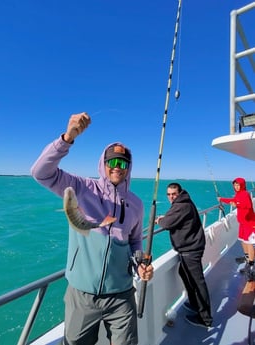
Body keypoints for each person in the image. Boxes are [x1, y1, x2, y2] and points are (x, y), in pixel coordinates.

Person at [31, 112, 153, 345]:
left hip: (122, 295)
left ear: (129, 168)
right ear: (103, 164)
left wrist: (140, 266)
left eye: (123, 163)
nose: (117, 167)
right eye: (113, 162)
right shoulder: (81, 187)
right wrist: (67, 138)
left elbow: (135, 241)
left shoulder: (136, 203)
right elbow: (40, 173)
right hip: (82, 294)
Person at [155, 182, 213, 329]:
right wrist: (165, 217)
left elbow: (167, 223)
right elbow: (173, 216)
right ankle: (195, 304)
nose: (170, 197)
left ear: (179, 193)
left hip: (190, 250)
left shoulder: (181, 205)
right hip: (190, 248)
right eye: (168, 194)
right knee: (184, 272)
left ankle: (205, 318)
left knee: (197, 282)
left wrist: (160, 220)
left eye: (173, 194)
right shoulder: (183, 203)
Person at [218, 177, 255, 281]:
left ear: (242, 185)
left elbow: (247, 206)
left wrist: (237, 204)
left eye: (238, 185)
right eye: (235, 185)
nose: (236, 187)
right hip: (242, 223)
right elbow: (233, 201)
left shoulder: (245, 194)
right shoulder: (238, 194)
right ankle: (248, 260)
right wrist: (222, 199)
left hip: (249, 223)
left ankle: (251, 268)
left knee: (249, 242)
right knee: (243, 241)